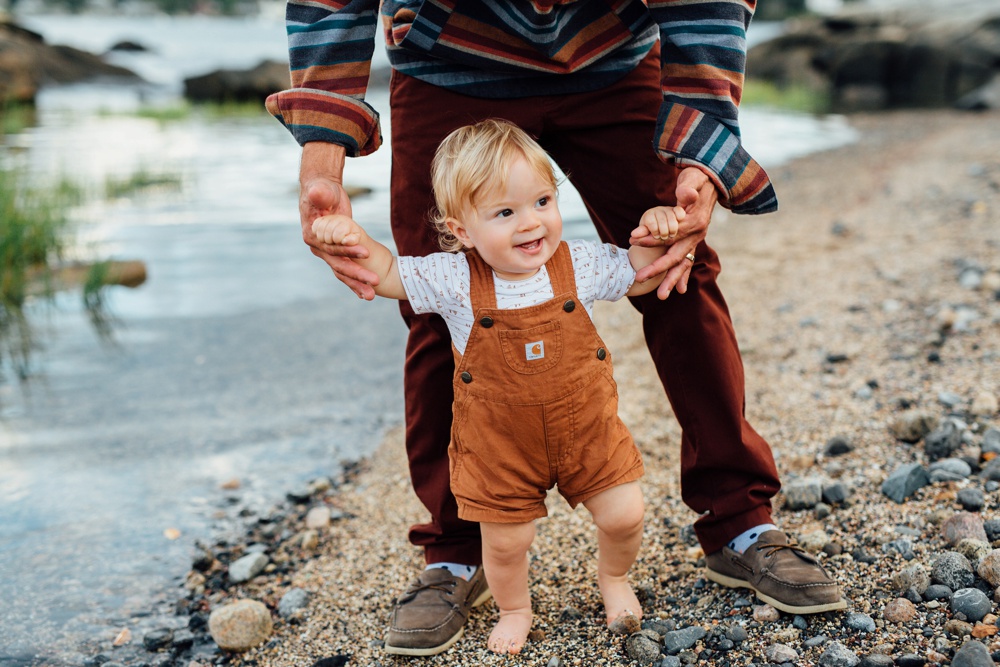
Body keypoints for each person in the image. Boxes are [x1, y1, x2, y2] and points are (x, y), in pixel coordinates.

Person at [266, 0, 847, 657]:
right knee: (437, 301)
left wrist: (703, 149)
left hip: (612, 56)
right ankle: (457, 551)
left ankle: (739, 520)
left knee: (678, 269)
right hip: (448, 61)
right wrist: (322, 164)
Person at [313, 119, 679, 654]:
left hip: (587, 432)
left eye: (542, 202)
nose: (531, 224)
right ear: (462, 231)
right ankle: (514, 607)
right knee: (507, 545)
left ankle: (614, 578)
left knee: (626, 515)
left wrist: (657, 230)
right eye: (505, 213)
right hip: (500, 448)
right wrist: (352, 239)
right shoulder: (454, 277)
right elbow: (390, 273)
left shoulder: (578, 262)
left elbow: (640, 272)